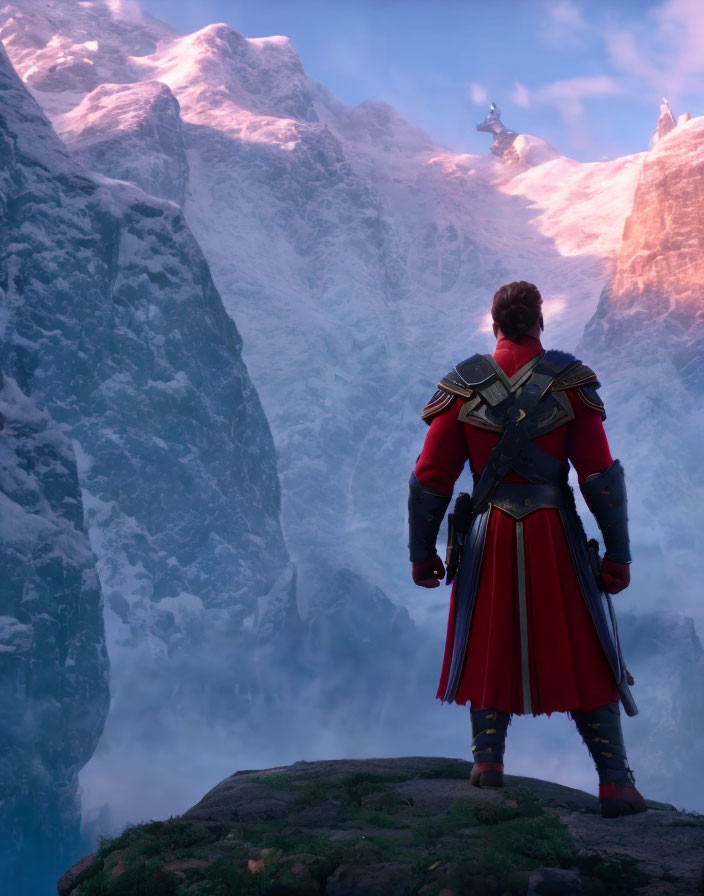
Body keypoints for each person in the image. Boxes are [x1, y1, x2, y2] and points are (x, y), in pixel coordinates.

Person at [408, 281, 647, 819]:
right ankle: (615, 782)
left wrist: (421, 554)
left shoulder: (462, 387)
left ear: (494, 325)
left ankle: (487, 761)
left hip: (488, 531)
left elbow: (431, 478)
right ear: (540, 323)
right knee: (584, 643)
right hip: (553, 533)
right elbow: (599, 476)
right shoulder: (571, 384)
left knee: (488, 633)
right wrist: (618, 554)